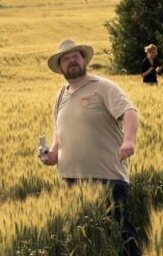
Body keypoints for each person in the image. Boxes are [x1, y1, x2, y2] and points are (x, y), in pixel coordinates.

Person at [41, 39, 142, 256]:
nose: (72, 61)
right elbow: (59, 134)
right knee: (82, 239)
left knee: (121, 233)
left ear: (84, 59)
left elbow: (129, 112)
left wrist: (129, 140)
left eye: (76, 56)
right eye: (66, 59)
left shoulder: (103, 86)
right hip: (70, 180)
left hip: (107, 177)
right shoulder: (60, 96)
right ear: (60, 68)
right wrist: (52, 154)